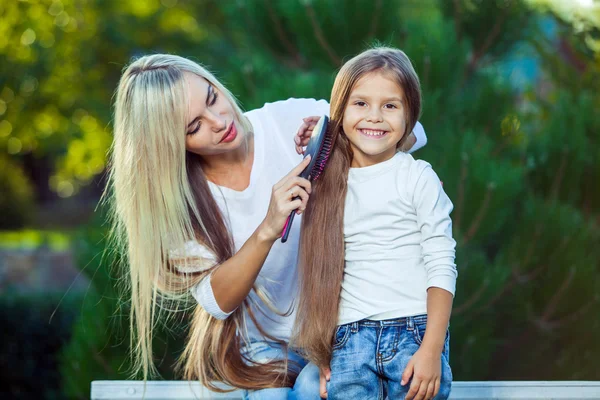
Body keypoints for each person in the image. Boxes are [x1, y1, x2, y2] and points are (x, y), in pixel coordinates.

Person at [106, 53, 427, 399]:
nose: (218, 120)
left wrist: (340, 146)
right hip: (261, 349)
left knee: (311, 389)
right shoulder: (181, 205)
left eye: (212, 97)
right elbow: (217, 301)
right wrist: (267, 229)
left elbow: (410, 132)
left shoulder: (285, 120)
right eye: (194, 126)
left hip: (343, 329)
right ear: (169, 146)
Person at [293, 46, 457, 400]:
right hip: (348, 340)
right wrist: (325, 353)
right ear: (340, 111)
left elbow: (442, 264)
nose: (375, 116)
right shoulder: (325, 184)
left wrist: (432, 349)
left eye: (390, 105)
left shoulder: (417, 177)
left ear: (409, 114)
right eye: (361, 103)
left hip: (414, 334)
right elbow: (321, 275)